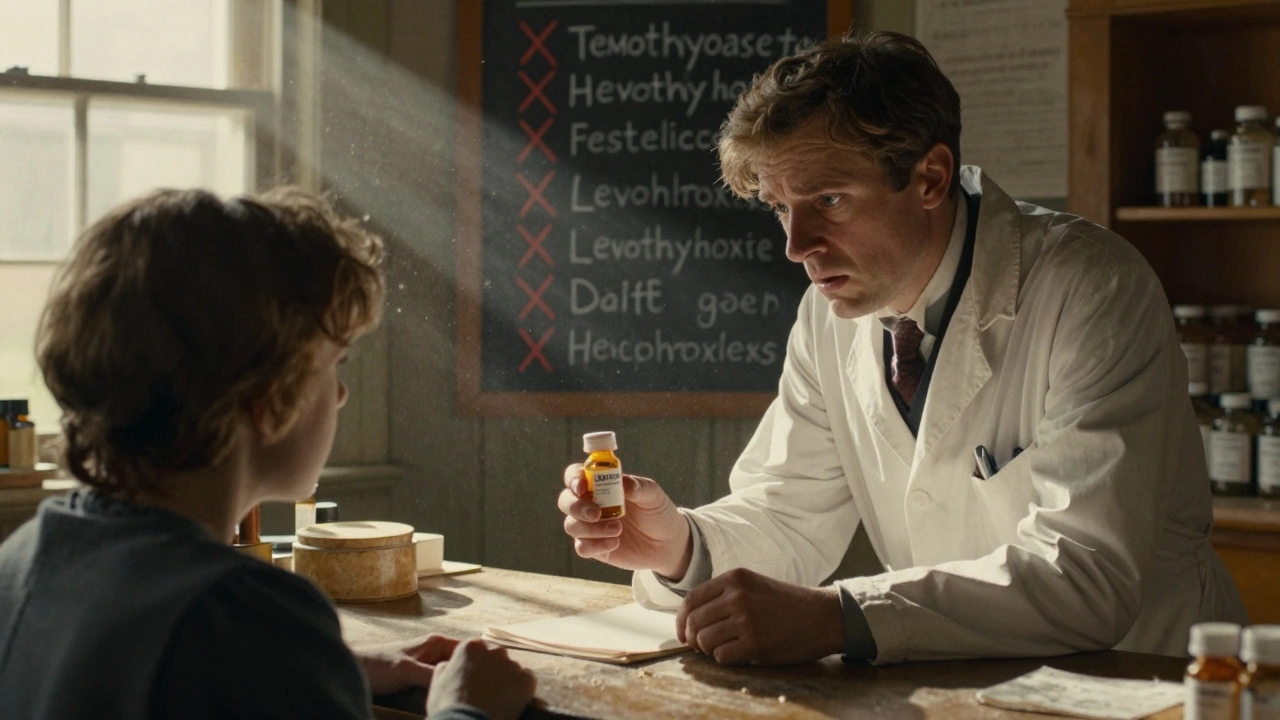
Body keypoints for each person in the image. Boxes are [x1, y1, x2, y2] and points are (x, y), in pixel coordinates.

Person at [558, 32, 1247, 665]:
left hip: (1143, 682)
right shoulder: (828, 316)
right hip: (966, 689)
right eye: (778, 207)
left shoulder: (1090, 287)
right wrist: (680, 547)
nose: (796, 247)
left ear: (930, 178)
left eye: (828, 201)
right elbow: (789, 514)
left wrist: (843, 616)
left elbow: (1084, 573)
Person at [0, 188, 535, 719]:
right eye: (338, 364)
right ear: (273, 395)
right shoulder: (246, 614)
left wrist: (326, 666)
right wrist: (467, 710)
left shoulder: (24, 559)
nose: (343, 394)